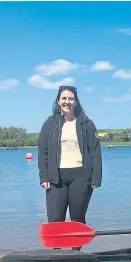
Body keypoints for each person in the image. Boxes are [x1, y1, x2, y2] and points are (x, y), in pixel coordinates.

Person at [37, 85, 102, 250]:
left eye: (71, 98)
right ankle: (56, 255)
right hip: (56, 176)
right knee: (55, 219)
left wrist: (96, 178)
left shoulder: (86, 124)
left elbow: (95, 152)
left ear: (76, 101)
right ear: (58, 101)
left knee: (77, 218)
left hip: (81, 176)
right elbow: (43, 151)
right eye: (64, 98)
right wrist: (43, 177)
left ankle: (76, 253)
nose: (67, 102)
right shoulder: (50, 123)